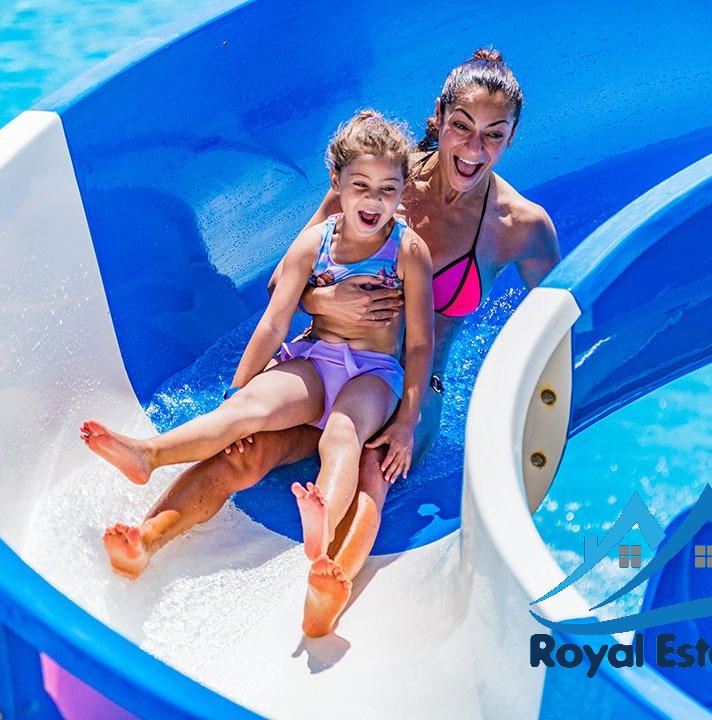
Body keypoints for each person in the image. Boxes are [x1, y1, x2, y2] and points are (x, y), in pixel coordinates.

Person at [85, 48, 561, 638]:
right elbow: (282, 285)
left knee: (372, 468)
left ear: (512, 138)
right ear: (439, 117)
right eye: (462, 126)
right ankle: (147, 539)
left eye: (494, 134)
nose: (473, 148)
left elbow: (561, 322)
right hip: (323, 354)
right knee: (245, 449)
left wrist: (426, 416)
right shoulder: (375, 178)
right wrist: (326, 302)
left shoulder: (522, 227)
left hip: (404, 386)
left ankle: (329, 586)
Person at [82, 110, 434, 625]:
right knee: (246, 414)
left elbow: (420, 344)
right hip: (315, 359)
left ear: (402, 190)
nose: (374, 200)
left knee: (344, 434)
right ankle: (148, 455)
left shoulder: (407, 250)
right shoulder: (314, 243)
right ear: (337, 183)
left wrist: (406, 420)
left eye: (387, 189)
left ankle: (323, 526)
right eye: (361, 186)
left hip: (372, 373)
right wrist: (238, 392)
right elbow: (272, 323)